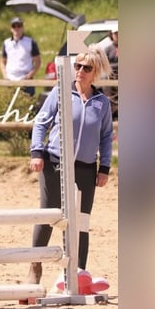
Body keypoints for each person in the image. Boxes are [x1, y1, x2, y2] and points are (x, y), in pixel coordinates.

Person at [24, 45, 114, 285]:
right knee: (48, 215)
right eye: (78, 66)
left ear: (95, 72)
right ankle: (35, 265)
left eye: (87, 68)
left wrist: (104, 167)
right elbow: (41, 123)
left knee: (81, 221)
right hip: (54, 163)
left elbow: (106, 137)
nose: (80, 71)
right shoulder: (60, 93)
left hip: (86, 168)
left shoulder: (101, 102)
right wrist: (36, 151)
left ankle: (78, 272)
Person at [0, 16, 41, 96]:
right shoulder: (6, 43)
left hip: (26, 81)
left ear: (22, 28)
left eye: (19, 26)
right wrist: (5, 76)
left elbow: (38, 62)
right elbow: (2, 62)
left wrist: (29, 75)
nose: (16, 28)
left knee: (27, 106)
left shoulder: (30, 42)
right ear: (11, 28)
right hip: (10, 81)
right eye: (14, 26)